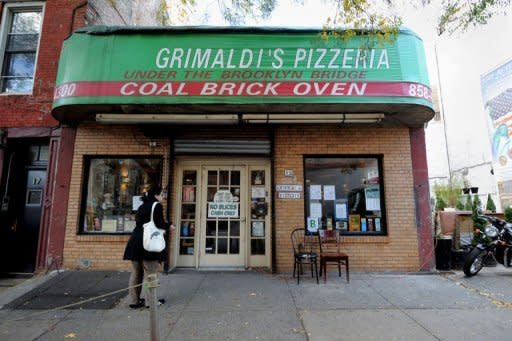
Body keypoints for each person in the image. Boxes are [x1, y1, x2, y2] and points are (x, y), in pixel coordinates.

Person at [123, 186, 175, 308]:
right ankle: (150, 302)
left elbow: (140, 223)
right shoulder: (156, 205)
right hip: (148, 244)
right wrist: (170, 226)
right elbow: (159, 223)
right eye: (161, 194)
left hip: (135, 242)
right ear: (156, 195)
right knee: (151, 273)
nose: (163, 196)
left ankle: (134, 301)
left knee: (136, 272)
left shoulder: (142, 206)